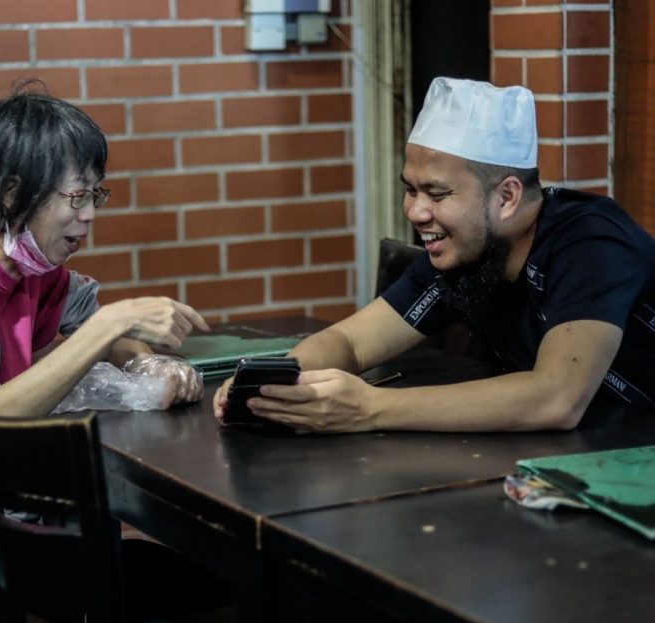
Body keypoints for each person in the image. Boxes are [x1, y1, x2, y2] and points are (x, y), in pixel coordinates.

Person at [0, 84, 210, 607]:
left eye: (95, 195)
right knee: (177, 569)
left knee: (158, 559)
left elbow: (91, 326)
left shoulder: (26, 261)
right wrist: (113, 325)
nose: (90, 215)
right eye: (76, 196)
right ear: (12, 193)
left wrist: (147, 363)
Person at [214, 76, 655, 433]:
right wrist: (273, 383)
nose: (416, 212)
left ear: (506, 197)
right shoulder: (465, 251)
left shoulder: (591, 242)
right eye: (411, 190)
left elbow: (556, 398)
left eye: (437, 194)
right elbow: (351, 342)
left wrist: (368, 408)